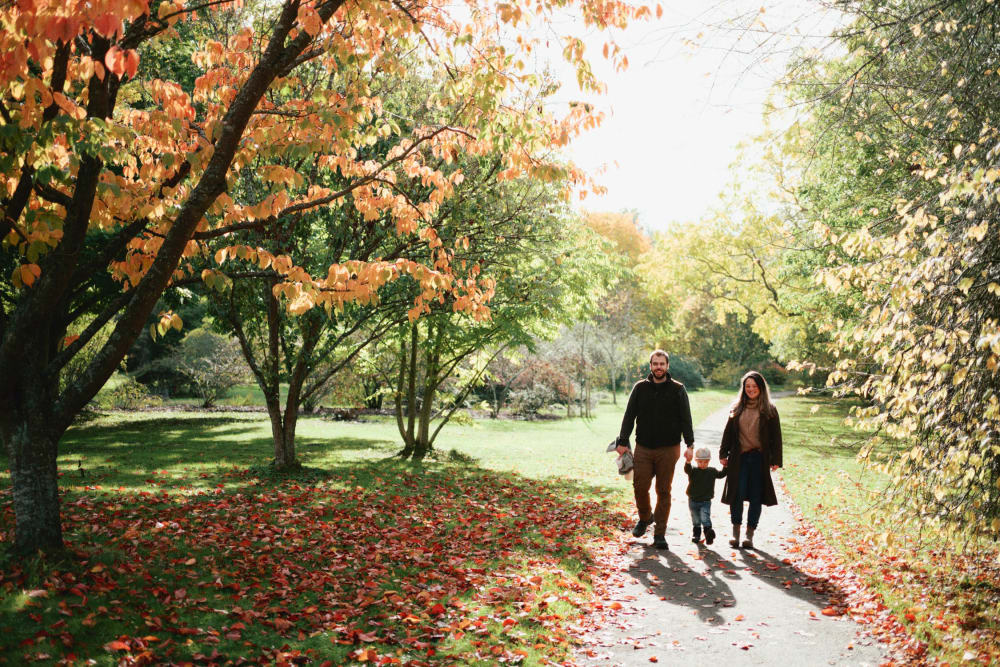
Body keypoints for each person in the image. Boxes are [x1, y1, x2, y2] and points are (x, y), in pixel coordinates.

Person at [615, 349, 695, 550]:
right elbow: (629, 415)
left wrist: (690, 444)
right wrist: (622, 440)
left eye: (662, 364)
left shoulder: (678, 389)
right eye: (655, 363)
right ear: (650, 366)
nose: (658, 367)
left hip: (669, 449)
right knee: (639, 486)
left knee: (663, 490)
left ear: (667, 366)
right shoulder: (640, 388)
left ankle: (660, 534)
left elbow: (686, 418)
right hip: (643, 447)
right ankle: (645, 517)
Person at [719, 371, 783, 549]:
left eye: (754, 386)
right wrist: (723, 453)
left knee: (756, 496)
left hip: (759, 459)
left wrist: (776, 459)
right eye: (747, 386)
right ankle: (736, 532)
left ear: (761, 388)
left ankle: (749, 534)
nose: (751, 389)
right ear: (743, 388)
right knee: (737, 495)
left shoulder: (769, 410)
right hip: (739, 458)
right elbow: (727, 433)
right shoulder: (736, 408)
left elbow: (776, 437)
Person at [684, 447, 728, 544]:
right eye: (700, 462)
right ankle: (696, 535)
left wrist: (725, 466)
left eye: (705, 462)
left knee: (705, 518)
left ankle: (708, 533)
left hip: (705, 501)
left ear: (708, 461)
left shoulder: (712, 471)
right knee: (696, 519)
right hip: (693, 500)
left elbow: (721, 475)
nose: (702, 464)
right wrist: (688, 461)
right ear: (696, 461)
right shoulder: (693, 471)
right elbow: (687, 470)